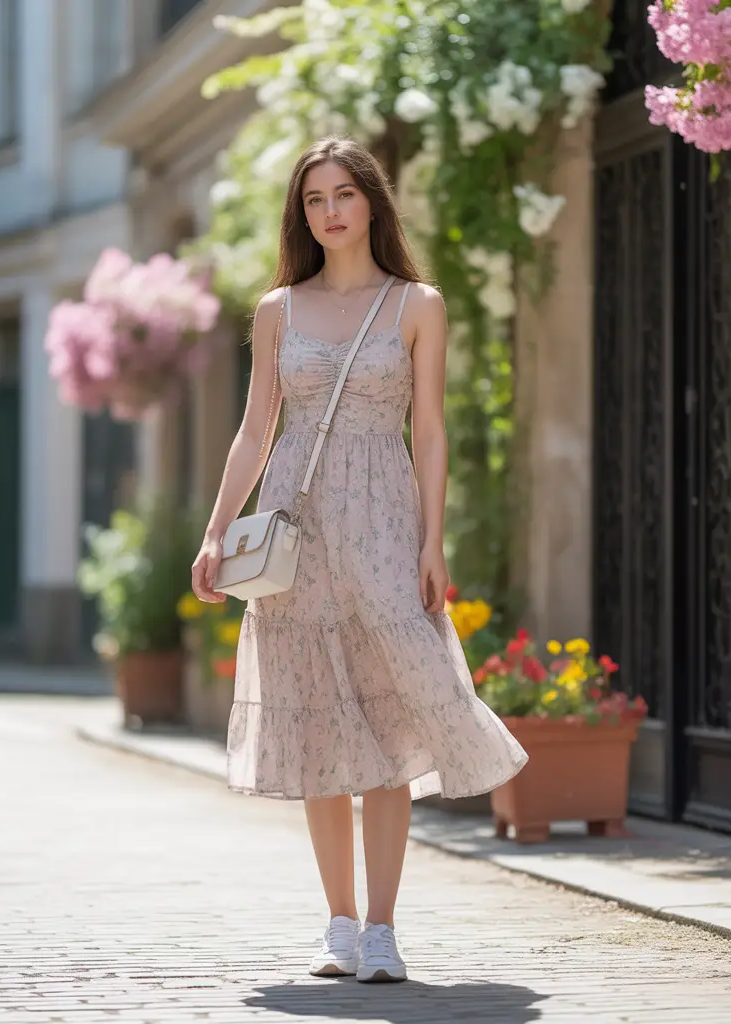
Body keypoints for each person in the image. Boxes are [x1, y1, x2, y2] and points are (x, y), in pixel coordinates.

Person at [191, 136, 528, 983]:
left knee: (389, 719)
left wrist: (430, 539)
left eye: (344, 193)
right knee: (314, 725)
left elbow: (432, 431)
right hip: (297, 537)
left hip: (383, 518)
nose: (331, 210)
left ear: (372, 202)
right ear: (301, 214)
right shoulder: (278, 309)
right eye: (314, 199)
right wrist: (216, 529)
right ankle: (338, 926)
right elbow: (254, 428)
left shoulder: (417, 303)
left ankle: (382, 929)